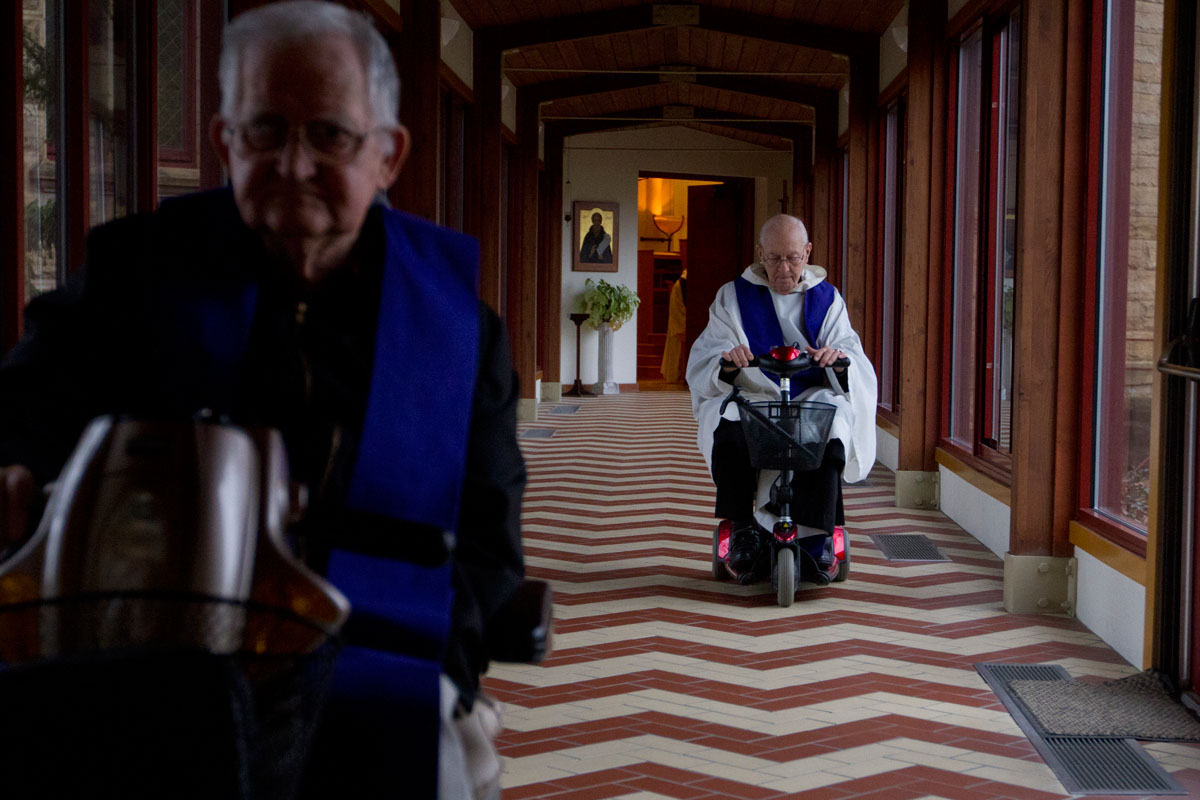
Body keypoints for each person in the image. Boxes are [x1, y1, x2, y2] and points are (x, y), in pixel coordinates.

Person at [0, 2, 523, 797]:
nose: (294, 163)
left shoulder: (456, 329)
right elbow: (23, 410)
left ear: (388, 155)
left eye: (329, 135)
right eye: (264, 131)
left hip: (375, 654)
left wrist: (444, 655)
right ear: (224, 142)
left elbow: (488, 544)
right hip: (142, 647)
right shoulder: (135, 273)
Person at [686, 214, 876, 581]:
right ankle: (742, 528)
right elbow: (707, 355)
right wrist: (727, 362)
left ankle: (818, 533)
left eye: (792, 257)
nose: (783, 269)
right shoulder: (733, 297)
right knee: (726, 420)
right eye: (774, 258)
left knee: (835, 421)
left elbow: (851, 354)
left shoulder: (827, 299)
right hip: (755, 393)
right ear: (761, 253)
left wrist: (837, 360)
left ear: (808, 252)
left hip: (811, 395)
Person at [660, 268, 687, 382]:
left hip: (678, 316)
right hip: (680, 318)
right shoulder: (684, 282)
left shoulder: (682, 281)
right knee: (678, 348)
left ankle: (677, 373)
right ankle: (678, 373)